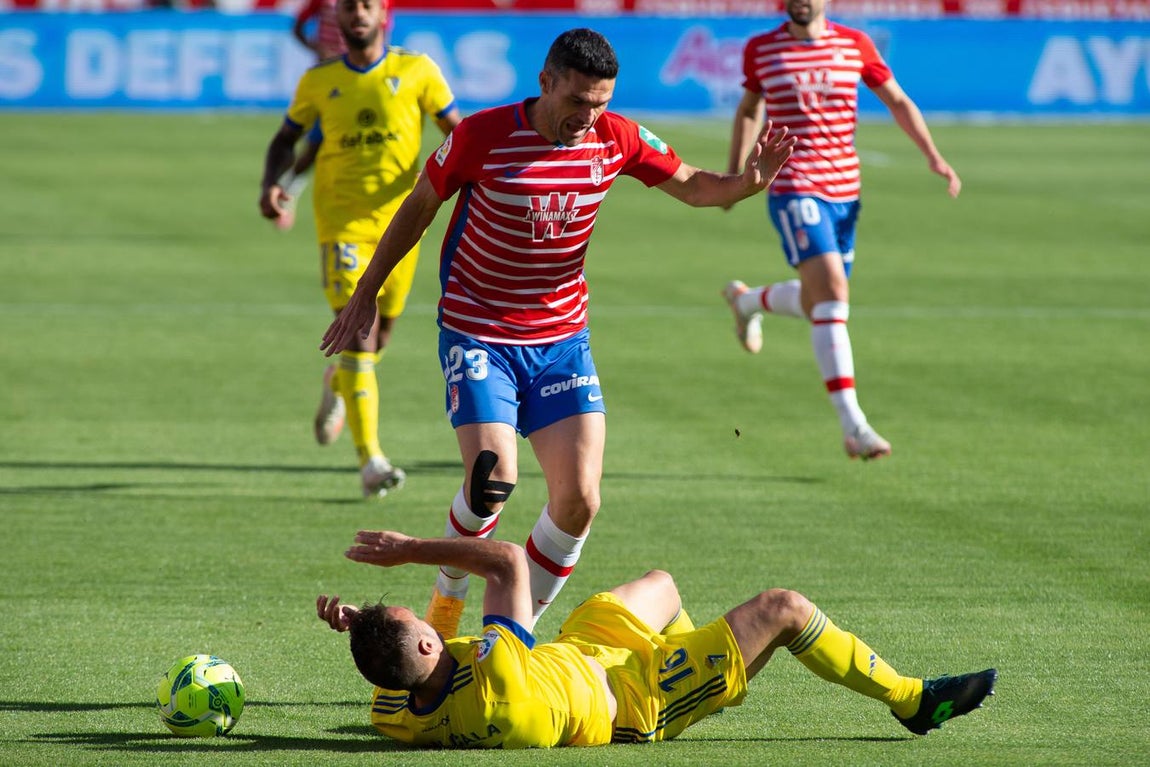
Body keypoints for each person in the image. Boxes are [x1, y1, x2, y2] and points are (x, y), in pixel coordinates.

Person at [319, 28, 797, 638]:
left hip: (562, 339)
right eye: (577, 100)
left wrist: (747, 183)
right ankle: (447, 603)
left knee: (579, 500)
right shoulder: (481, 136)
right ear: (546, 83)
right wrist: (367, 292)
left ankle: (511, 634)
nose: (588, 116)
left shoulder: (616, 136)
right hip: (479, 329)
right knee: (492, 480)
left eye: (600, 102)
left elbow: (695, 185)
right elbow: (419, 206)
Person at [317, 529, 997, 748]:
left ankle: (712, 662)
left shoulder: (395, 709)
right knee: (785, 608)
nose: (433, 625)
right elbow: (506, 562)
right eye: (422, 624)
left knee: (662, 582)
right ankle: (911, 699)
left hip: (579, 654)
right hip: (632, 697)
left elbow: (400, 670)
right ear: (430, 647)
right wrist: (406, 552)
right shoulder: (501, 683)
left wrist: (365, 629)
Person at [721, 0, 962, 461]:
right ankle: (854, 426)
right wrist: (735, 176)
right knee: (833, 292)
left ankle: (746, 301)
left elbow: (896, 99)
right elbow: (749, 109)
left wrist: (933, 155)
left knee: (820, 303)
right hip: (793, 185)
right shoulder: (763, 49)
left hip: (845, 191)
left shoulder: (854, 44)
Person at [259, 0, 461, 497]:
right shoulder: (319, 81)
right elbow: (285, 139)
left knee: (382, 334)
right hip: (342, 225)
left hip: (403, 222)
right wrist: (271, 183)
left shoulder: (417, 70)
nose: (358, 13)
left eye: (368, 5)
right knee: (360, 336)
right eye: (350, 6)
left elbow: (459, 132)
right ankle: (370, 460)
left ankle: (339, 383)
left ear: (384, 14)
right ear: (339, 18)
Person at [272, 0, 351, 231]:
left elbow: (381, 33)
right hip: (330, 82)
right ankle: (287, 192)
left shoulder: (374, 5)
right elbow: (297, 26)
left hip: (361, 81)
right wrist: (316, 47)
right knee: (314, 146)